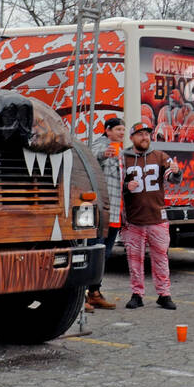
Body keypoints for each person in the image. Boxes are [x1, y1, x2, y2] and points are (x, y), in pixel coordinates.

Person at [120, 121, 183, 310]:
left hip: (157, 217)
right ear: (132, 138)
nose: (145, 137)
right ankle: (137, 293)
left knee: (161, 257)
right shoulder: (123, 158)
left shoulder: (160, 156)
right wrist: (125, 187)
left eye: (147, 133)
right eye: (140, 134)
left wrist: (176, 172)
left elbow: (171, 178)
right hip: (133, 219)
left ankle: (164, 294)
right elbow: (114, 183)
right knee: (134, 259)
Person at [86, 116, 125, 311]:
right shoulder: (101, 144)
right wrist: (105, 154)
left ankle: (94, 292)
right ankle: (82, 295)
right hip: (102, 210)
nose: (121, 133)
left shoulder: (121, 151)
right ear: (108, 130)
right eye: (118, 130)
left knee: (105, 253)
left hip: (116, 211)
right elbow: (93, 157)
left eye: (123, 130)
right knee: (94, 251)